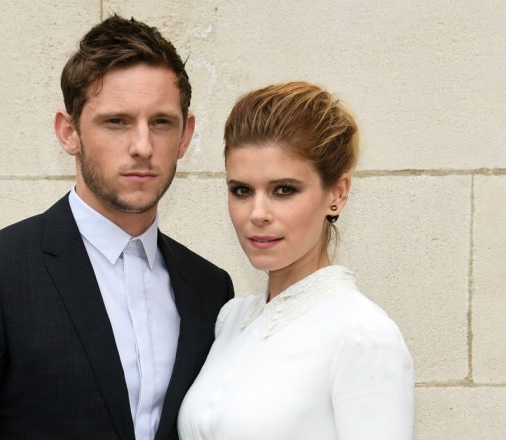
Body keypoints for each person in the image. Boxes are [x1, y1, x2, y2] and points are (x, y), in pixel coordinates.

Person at [0, 15, 234, 440]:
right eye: (116, 122)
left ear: (186, 135)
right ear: (68, 132)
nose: (142, 146)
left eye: (161, 122)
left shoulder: (209, 288)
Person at [177, 81, 414, 439]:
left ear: (337, 194)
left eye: (284, 190)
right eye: (241, 190)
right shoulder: (231, 319)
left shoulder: (362, 335)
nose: (257, 213)